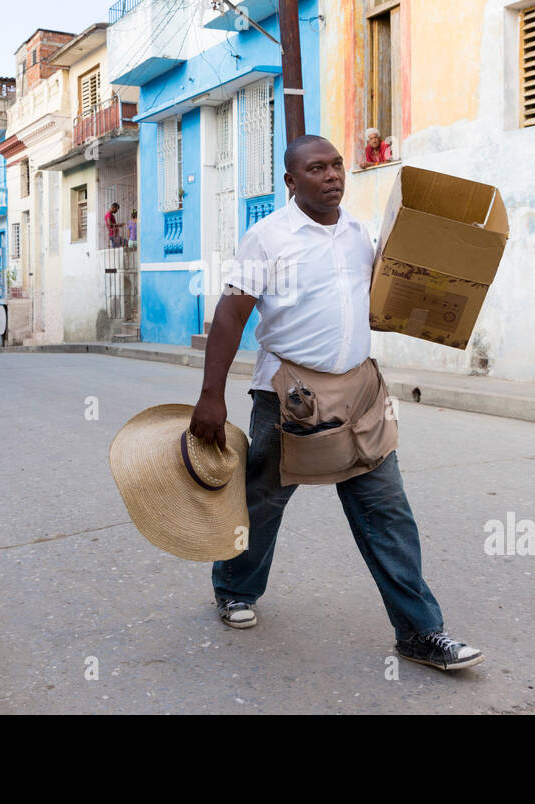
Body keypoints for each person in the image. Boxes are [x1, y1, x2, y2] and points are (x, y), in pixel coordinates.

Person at [188, 134, 484, 672]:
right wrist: (211, 396)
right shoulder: (267, 237)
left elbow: (381, 297)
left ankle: (420, 633)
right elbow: (231, 315)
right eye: (317, 168)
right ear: (291, 181)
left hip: (360, 395)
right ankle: (234, 587)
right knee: (263, 502)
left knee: (387, 510)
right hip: (289, 396)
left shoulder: (359, 232)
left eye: (338, 166)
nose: (332, 176)